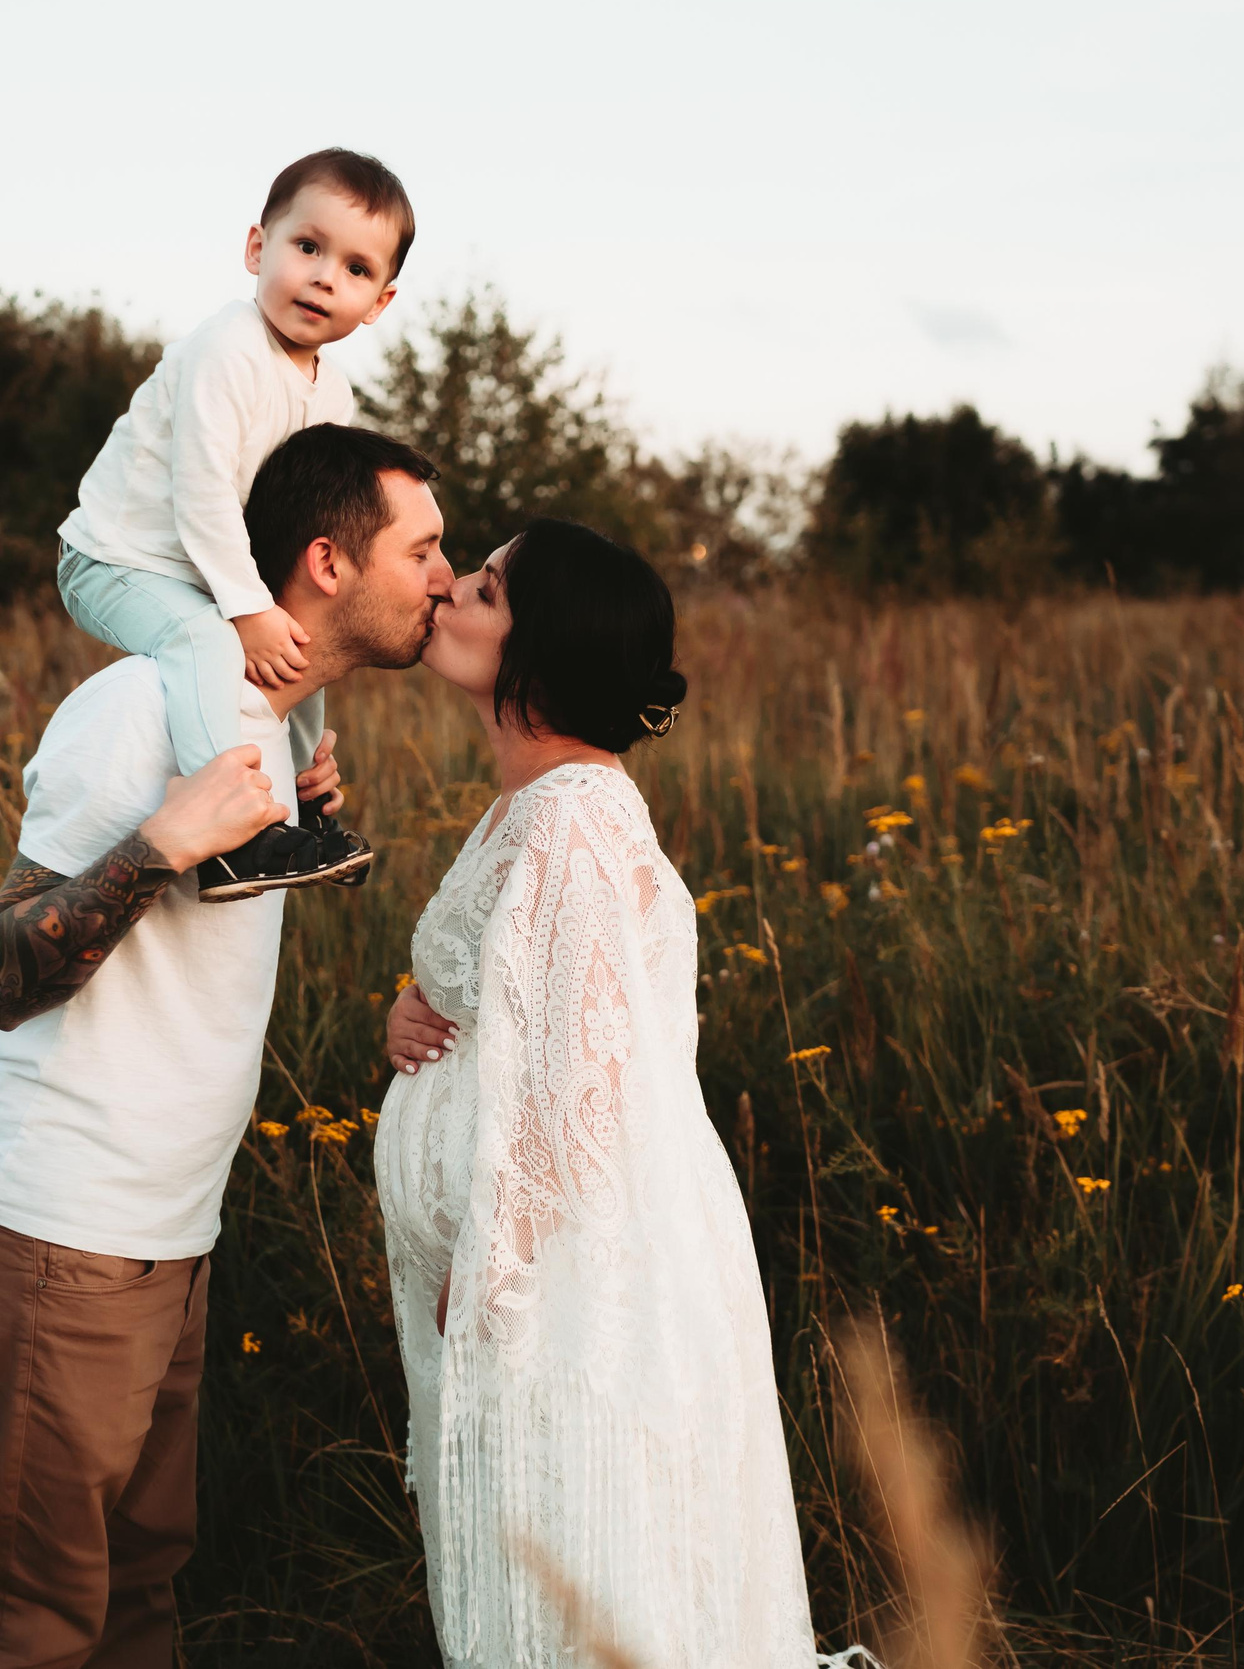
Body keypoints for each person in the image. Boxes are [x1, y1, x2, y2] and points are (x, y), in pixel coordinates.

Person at [0, 425, 451, 1669]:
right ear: (327, 564)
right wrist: (159, 847)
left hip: (168, 1238)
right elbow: (3, 971)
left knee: (140, 1593)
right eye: (424, 549)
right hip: (59, 1230)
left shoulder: (271, 719)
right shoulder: (139, 709)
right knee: (27, 1624)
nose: (444, 575)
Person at [374, 521, 848, 1665]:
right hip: (537, 1272)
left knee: (575, 1579)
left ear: (537, 650)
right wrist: (416, 1016)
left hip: (562, 1292)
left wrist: (494, 1277)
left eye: (483, 588)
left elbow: (585, 1097)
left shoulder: (574, 819)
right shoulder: (539, 807)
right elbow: (542, 1012)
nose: (451, 595)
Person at [52, 146, 416, 902]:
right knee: (205, 639)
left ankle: (306, 796)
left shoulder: (333, 394)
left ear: (379, 301)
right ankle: (233, 842)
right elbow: (204, 494)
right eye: (307, 247)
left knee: (303, 643)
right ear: (258, 248)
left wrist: (272, 618)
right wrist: (248, 608)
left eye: (355, 269)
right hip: (119, 560)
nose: (324, 276)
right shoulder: (227, 348)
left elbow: (292, 519)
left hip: (210, 572)